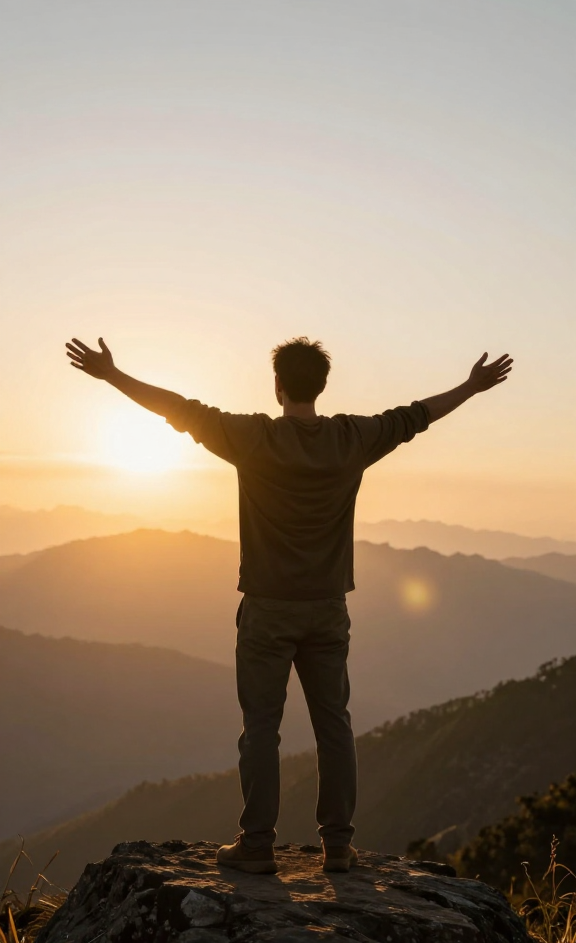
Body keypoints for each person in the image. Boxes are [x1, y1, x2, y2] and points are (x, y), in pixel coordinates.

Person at [65, 335, 513, 874]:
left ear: (278, 387)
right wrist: (471, 385)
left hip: (267, 609)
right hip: (327, 608)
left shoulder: (252, 437)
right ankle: (339, 847)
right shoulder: (353, 437)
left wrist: (114, 376)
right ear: (321, 385)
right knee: (334, 725)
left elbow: (179, 410)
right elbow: (416, 416)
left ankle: (256, 845)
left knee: (260, 728)